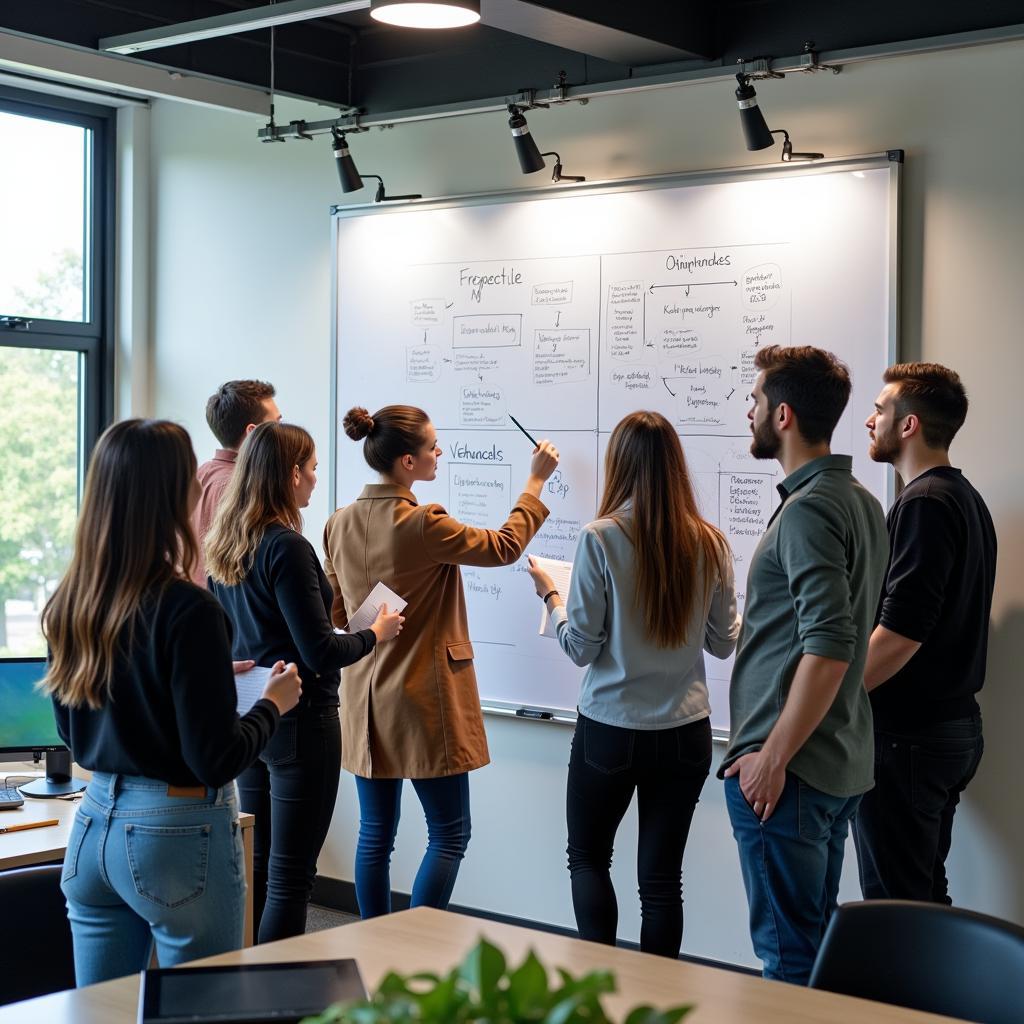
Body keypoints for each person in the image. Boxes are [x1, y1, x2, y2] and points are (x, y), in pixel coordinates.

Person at [41, 419, 301, 985]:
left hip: (90, 830)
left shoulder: (71, 601)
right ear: (175, 494)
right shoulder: (190, 609)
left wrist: (205, 676)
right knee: (203, 1009)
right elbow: (216, 758)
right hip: (176, 833)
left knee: (99, 1016)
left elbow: (77, 728)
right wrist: (272, 704)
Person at [323, 404, 558, 918]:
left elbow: (339, 612)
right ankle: (409, 943)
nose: (439, 453)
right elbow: (504, 546)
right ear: (407, 461)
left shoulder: (337, 524)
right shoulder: (423, 523)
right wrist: (535, 484)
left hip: (363, 700)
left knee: (374, 835)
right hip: (423, 699)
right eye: (432, 446)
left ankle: (373, 940)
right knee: (450, 833)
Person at [525, 411, 740, 958]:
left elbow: (581, 649)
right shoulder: (710, 543)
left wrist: (551, 596)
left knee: (589, 858)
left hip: (610, 731)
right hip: (685, 731)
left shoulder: (600, 538)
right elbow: (722, 642)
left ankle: (602, 999)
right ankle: (656, 1006)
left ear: (618, 464)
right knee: (663, 881)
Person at [719, 345, 888, 985]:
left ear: (782, 415)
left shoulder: (812, 508)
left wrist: (772, 757)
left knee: (788, 959)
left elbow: (830, 642)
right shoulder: (857, 500)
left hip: (790, 776)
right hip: (833, 764)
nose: (749, 412)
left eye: (756, 401)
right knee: (814, 952)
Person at [206, 422, 403, 943]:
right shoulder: (287, 547)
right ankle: (281, 997)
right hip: (302, 721)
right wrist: (375, 633)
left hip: (252, 719)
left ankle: (251, 990)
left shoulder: (227, 543)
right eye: (313, 469)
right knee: (293, 879)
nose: (317, 480)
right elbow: (319, 653)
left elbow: (253, 638)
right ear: (291, 474)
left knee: (263, 871)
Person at [854, 363, 996, 903]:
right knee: (921, 897)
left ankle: (902, 992)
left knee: (895, 910)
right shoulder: (962, 498)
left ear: (908, 425)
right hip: (945, 731)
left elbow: (901, 632)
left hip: (908, 739)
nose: (870, 421)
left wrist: (830, 698)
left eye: (879, 410)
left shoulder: (926, 503)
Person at [190, 379, 282, 585]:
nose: (282, 433)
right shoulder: (247, 489)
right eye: (277, 424)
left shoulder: (196, 476)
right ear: (252, 432)